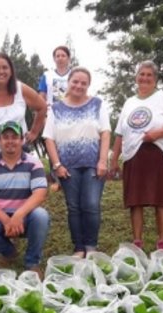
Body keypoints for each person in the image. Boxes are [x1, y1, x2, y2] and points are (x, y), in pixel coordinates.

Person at [109, 61, 163, 250]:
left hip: (155, 153)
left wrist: (157, 134)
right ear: (136, 77)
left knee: (160, 200)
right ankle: (137, 242)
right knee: (135, 201)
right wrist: (114, 160)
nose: (145, 78)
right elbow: (119, 134)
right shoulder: (129, 102)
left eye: (149, 75)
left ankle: (162, 242)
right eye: (142, 74)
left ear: (155, 79)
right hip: (133, 155)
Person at [43, 67, 110, 257]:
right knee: (73, 207)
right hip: (67, 167)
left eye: (84, 83)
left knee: (91, 204)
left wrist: (103, 161)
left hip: (93, 164)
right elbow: (49, 138)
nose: (79, 86)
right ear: (68, 82)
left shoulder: (97, 104)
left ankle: (91, 246)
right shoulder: (56, 109)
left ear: (88, 85)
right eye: (75, 81)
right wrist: (57, 166)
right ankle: (79, 247)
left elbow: (105, 132)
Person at [0, 121, 49, 275]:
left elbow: (40, 193)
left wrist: (19, 215)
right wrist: (6, 220)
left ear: (22, 140)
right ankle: (9, 252)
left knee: (41, 216)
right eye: (5, 137)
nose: (10, 141)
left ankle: (32, 262)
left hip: (25, 216)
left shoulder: (33, 163)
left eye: (14, 137)